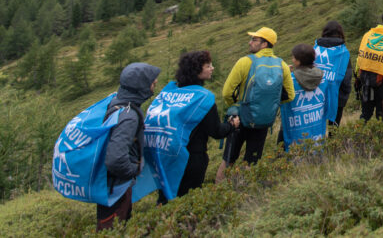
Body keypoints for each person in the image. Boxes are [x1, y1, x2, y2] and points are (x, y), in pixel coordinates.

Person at [150, 51, 239, 204]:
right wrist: (232, 125)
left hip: (165, 155)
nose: (212, 68)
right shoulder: (203, 97)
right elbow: (216, 131)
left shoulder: (169, 91)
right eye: (208, 66)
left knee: (166, 198)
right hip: (192, 157)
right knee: (188, 200)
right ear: (197, 70)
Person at [216, 27, 294, 182]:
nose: (250, 42)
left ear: (265, 44)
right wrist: (270, 106)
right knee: (251, 163)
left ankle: (217, 194)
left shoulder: (245, 62)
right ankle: (246, 195)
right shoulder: (282, 65)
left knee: (228, 160)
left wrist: (237, 106)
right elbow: (289, 96)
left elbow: (226, 92)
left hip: (240, 120)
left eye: (254, 40)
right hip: (263, 121)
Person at [97, 62, 161, 231]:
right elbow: (115, 159)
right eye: (152, 82)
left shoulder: (118, 103)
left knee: (112, 227)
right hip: (116, 188)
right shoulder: (130, 116)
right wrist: (134, 170)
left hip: (109, 184)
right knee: (112, 229)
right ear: (141, 87)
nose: (155, 85)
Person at [279, 43, 327, 150]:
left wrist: (284, 74)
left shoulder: (289, 80)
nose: (292, 59)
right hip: (317, 127)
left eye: (293, 57)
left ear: (298, 61)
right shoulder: (322, 76)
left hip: (294, 128)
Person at [313, 20, 352, 125]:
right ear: (340, 33)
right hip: (337, 95)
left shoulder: (315, 48)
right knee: (333, 128)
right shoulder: (343, 52)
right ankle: (332, 141)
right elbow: (347, 77)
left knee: (316, 125)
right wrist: (345, 95)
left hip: (315, 94)